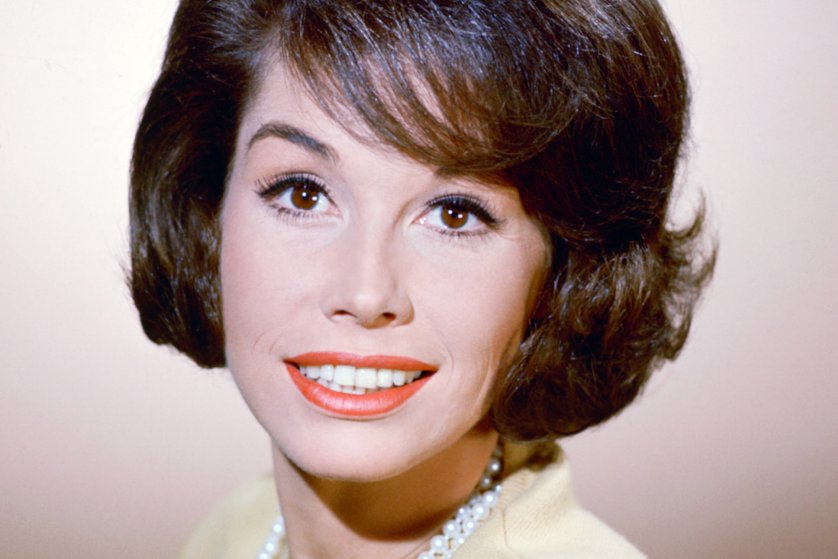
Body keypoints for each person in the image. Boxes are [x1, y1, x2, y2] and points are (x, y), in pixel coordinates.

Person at [129, 1, 714, 557]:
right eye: (303, 194)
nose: (365, 295)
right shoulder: (232, 534)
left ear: (563, 269)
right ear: (209, 208)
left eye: (455, 214)